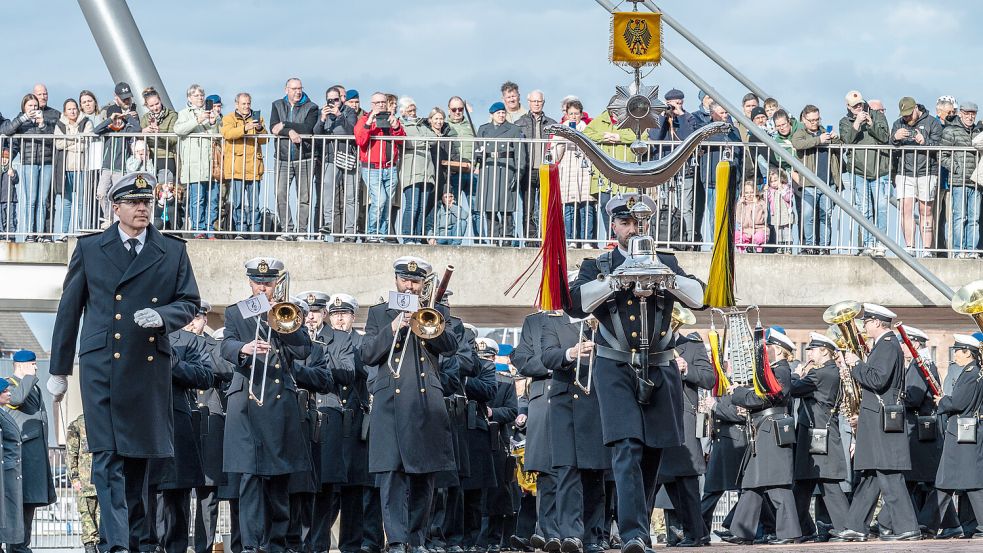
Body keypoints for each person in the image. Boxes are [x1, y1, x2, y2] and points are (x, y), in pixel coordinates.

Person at [47, 171, 202, 553]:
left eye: (147, 202)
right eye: (134, 202)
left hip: (147, 367)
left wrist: (164, 317)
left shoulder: (172, 250)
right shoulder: (91, 248)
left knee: (138, 462)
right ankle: (116, 546)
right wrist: (58, 369)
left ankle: (136, 541)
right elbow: (69, 311)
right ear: (115, 207)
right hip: (103, 366)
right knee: (106, 457)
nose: (142, 208)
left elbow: (189, 302)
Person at [566, 193, 704, 553]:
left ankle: (638, 526)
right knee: (626, 445)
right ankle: (633, 534)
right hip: (615, 365)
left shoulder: (667, 260)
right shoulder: (598, 264)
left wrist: (664, 276)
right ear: (614, 225)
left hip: (660, 364)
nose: (633, 229)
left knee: (653, 451)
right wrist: (616, 279)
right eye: (625, 222)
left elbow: (699, 297)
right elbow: (576, 303)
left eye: (639, 223)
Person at [359, 256, 460, 553]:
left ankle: (416, 539)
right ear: (396, 280)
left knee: (424, 476)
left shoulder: (437, 310)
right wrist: (393, 327)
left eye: (415, 281)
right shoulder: (380, 312)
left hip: (425, 401)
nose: (410, 285)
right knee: (392, 476)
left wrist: (427, 319)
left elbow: (451, 346)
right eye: (405, 280)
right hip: (390, 401)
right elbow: (367, 354)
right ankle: (398, 540)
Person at [220, 257, 312, 553]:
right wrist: (243, 349)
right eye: (258, 282)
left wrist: (282, 319)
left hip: (277, 402)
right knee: (249, 477)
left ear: (276, 285)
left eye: (268, 283)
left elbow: (303, 350)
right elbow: (226, 345)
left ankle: (276, 543)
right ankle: (250, 544)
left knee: (278, 478)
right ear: (250, 282)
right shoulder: (236, 311)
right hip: (247, 400)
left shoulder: (287, 312)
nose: (263, 287)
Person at [833, 303, 922, 542]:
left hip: (882, 420)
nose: (864, 326)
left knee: (889, 474)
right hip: (877, 419)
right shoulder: (885, 345)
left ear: (876, 323)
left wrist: (856, 365)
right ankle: (856, 525)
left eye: (866, 322)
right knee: (872, 474)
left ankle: (907, 527)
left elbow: (878, 379)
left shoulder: (886, 345)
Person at [541, 311, 611, 553]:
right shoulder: (554, 322)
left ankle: (592, 536)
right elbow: (547, 356)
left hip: (597, 402)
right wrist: (571, 353)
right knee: (567, 470)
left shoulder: (604, 321)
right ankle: (570, 534)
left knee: (595, 472)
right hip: (565, 404)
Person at [723, 328, 801, 546]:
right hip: (764, 429)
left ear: (777, 349)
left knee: (776, 483)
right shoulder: (774, 370)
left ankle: (788, 532)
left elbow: (766, 397)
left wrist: (738, 394)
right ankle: (742, 531)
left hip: (771, 430)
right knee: (753, 483)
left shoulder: (781, 370)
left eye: (767, 347)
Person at [151, 320, 213, 553]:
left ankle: (175, 547)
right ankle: (150, 545)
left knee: (177, 495)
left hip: (177, 425)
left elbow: (206, 376)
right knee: (147, 493)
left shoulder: (189, 342)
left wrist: (173, 364)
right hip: (143, 423)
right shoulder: (134, 336)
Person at [656, 309, 715, 547]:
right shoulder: (650, 344)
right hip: (656, 419)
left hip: (682, 418)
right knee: (657, 481)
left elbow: (709, 378)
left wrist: (686, 368)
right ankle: (637, 534)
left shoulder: (691, 346)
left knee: (686, 481)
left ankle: (696, 534)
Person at [511, 309, 565, 551]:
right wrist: (558, 361)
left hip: (580, 396)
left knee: (581, 470)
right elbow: (521, 359)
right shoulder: (534, 321)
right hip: (546, 397)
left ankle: (585, 532)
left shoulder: (584, 318)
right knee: (546, 470)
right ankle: (546, 531)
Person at [790, 333, 851, 541]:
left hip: (818, 434)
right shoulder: (830, 371)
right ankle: (798, 529)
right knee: (804, 484)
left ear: (824, 350)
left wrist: (796, 374)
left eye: (813, 349)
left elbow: (794, 389)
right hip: (818, 432)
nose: (809, 352)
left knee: (828, 483)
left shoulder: (821, 373)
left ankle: (845, 527)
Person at [5, 349, 56, 553]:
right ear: (22, 365)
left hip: (35, 456)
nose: (36, 367)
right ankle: (17, 547)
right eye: (33, 364)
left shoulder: (32, 386)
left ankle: (22, 546)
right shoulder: (9, 383)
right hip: (22, 457)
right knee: (18, 505)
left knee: (29, 504)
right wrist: (27, 376)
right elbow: (16, 400)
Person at [934, 334, 983, 537]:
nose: (955, 355)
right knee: (948, 482)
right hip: (962, 431)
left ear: (967, 353)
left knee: (968, 482)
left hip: (963, 431)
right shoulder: (972, 372)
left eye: (958, 352)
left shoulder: (971, 374)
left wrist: (942, 401)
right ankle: (928, 521)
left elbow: (959, 403)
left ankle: (927, 522)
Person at [839, 90, 892, 256]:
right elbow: (846, 140)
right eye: (855, 106)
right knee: (865, 210)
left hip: (880, 170)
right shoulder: (844, 121)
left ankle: (880, 244)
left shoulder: (878, 116)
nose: (859, 107)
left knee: (881, 208)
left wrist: (870, 123)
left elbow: (885, 137)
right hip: (858, 171)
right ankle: (868, 244)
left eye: (860, 104)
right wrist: (856, 124)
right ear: (848, 106)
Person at [892, 97, 943, 255]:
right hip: (905, 173)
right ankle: (910, 247)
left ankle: (927, 249)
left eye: (909, 114)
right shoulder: (898, 123)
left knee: (925, 211)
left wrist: (924, 141)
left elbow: (941, 146)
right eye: (904, 115)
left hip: (927, 173)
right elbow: (891, 146)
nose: (906, 118)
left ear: (915, 108)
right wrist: (895, 138)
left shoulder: (932, 122)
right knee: (906, 210)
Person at [270, 78, 319, 239]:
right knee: (280, 193)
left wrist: (285, 124)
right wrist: (289, 132)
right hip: (282, 158)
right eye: (294, 89)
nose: (297, 91)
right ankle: (287, 229)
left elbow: (307, 128)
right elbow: (273, 128)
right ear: (286, 90)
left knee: (304, 197)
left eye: (300, 88)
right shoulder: (277, 105)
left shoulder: (311, 107)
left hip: (304, 157)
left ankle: (301, 232)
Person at [581, 110, 640, 241]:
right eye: (614, 110)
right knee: (605, 205)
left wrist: (618, 137)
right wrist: (604, 136)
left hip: (625, 173)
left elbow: (642, 136)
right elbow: (586, 134)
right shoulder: (600, 120)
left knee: (626, 207)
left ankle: (627, 237)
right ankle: (611, 237)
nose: (616, 113)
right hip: (604, 174)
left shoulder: (632, 120)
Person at [0, 94, 52, 241]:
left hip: (46, 161)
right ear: (24, 107)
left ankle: (40, 234)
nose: (33, 109)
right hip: (28, 162)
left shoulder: (45, 120)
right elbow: (7, 130)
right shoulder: (20, 120)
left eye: (35, 106)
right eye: (30, 106)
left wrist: (42, 124)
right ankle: (29, 233)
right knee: (31, 200)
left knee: (42, 200)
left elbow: (52, 138)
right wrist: (23, 118)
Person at [356, 92, 406, 241]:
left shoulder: (392, 120)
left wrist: (396, 126)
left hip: (390, 168)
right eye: (377, 103)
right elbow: (360, 140)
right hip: (372, 168)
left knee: (387, 205)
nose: (381, 105)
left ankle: (383, 235)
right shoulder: (365, 119)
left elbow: (402, 140)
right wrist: (369, 122)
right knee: (380, 201)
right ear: (372, 104)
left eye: (383, 102)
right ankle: (372, 234)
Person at [792, 104, 841, 254]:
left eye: (817, 119)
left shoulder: (825, 131)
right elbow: (798, 144)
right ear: (804, 120)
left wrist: (835, 139)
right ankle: (810, 246)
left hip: (828, 182)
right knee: (808, 216)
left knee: (825, 216)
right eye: (812, 120)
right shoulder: (800, 133)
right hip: (809, 182)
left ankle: (824, 247)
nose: (815, 123)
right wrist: (819, 140)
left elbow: (841, 148)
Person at [91, 83, 141, 226]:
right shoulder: (109, 126)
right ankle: (109, 219)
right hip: (107, 166)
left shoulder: (129, 122)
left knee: (119, 196)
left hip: (121, 166)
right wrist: (110, 119)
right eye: (123, 99)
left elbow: (137, 129)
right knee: (101, 193)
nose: (127, 101)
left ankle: (118, 222)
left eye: (128, 98)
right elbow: (96, 130)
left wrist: (129, 117)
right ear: (116, 98)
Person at [175, 84, 222, 239]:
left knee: (212, 199)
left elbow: (217, 135)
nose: (200, 98)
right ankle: (198, 229)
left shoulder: (212, 113)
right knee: (197, 199)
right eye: (196, 95)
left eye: (202, 95)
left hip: (211, 163)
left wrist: (214, 122)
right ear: (189, 98)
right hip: (193, 163)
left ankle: (210, 229)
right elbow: (179, 130)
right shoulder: (183, 113)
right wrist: (197, 120)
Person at [475, 102, 526, 244]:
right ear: (492, 115)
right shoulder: (483, 129)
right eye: (498, 113)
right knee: (489, 207)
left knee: (506, 207)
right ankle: (493, 237)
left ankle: (507, 237)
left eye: (503, 112)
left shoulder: (514, 130)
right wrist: (477, 159)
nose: (501, 115)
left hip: (506, 168)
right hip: (489, 168)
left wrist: (518, 172)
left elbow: (520, 153)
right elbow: (477, 149)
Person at [313, 86, 359, 241]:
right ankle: (328, 224)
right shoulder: (323, 113)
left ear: (341, 99)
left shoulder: (349, 112)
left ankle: (350, 232)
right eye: (330, 100)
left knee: (350, 197)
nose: (333, 102)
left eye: (336, 99)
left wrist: (339, 115)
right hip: (331, 158)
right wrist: (322, 119)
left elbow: (353, 131)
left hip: (348, 158)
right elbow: (316, 134)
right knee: (327, 189)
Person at [221, 92, 267, 238]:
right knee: (238, 203)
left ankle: (255, 232)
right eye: (243, 104)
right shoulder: (228, 118)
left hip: (254, 167)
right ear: (237, 104)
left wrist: (259, 128)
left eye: (248, 103)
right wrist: (245, 128)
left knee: (255, 204)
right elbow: (227, 134)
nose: (247, 106)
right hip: (236, 168)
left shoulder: (257, 117)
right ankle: (241, 231)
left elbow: (265, 140)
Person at [514, 90, 558, 245]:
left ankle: (544, 239)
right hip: (528, 170)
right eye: (534, 101)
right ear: (529, 102)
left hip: (545, 170)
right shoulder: (519, 123)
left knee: (545, 208)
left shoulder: (552, 123)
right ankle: (530, 240)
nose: (537, 104)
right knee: (528, 209)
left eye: (539, 101)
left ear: (543, 102)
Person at [941, 101, 981, 258]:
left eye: (973, 114)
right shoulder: (950, 131)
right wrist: (957, 169)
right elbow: (942, 155)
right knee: (959, 217)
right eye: (967, 113)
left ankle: (972, 251)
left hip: (976, 182)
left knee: (974, 219)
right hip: (958, 181)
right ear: (960, 114)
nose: (970, 117)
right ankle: (959, 251)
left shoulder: (978, 131)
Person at [552, 100, 594, 248]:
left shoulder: (588, 129)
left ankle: (587, 241)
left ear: (581, 114)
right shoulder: (560, 130)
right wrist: (562, 139)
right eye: (571, 114)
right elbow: (555, 156)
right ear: (566, 114)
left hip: (584, 171)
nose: (574, 116)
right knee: (569, 208)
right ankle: (571, 241)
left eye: (576, 113)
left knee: (586, 207)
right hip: (568, 171)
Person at [397, 98, 438, 244]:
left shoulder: (422, 125)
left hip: (427, 170)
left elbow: (434, 138)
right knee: (412, 205)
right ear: (402, 112)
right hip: (411, 169)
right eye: (410, 110)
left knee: (422, 207)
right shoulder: (401, 125)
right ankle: (408, 236)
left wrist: (420, 140)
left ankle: (418, 237)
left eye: (414, 110)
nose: (413, 113)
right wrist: (423, 141)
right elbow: (408, 142)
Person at [53, 98, 93, 240]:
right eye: (69, 109)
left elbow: (85, 144)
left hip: (81, 168)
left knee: (82, 201)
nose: (73, 111)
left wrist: (68, 141)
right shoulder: (60, 124)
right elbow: (58, 144)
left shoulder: (86, 122)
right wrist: (76, 139)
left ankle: (81, 231)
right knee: (66, 201)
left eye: (75, 108)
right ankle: (64, 233)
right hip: (65, 168)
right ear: (65, 111)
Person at [67, 413, 99, 553]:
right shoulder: (78, 423)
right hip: (85, 481)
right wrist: (74, 478)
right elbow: (71, 454)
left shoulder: (107, 419)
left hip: (103, 481)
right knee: (87, 517)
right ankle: (90, 545)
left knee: (103, 520)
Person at [0, 378, 24, 546]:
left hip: (9, 472)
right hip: (4, 472)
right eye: (4, 391)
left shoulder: (3, 413)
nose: (9, 393)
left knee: (9, 517)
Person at [138, 87, 178, 179]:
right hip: (148, 157)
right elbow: (138, 138)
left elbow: (173, 139)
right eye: (151, 106)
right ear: (147, 106)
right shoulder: (145, 118)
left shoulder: (172, 115)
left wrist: (158, 134)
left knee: (165, 189)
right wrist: (143, 132)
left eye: (157, 104)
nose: (155, 108)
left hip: (166, 156)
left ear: (160, 100)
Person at [766, 168, 795, 253]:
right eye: (772, 181)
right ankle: (780, 246)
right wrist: (765, 190)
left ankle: (788, 246)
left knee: (787, 230)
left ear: (781, 179)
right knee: (778, 231)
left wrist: (782, 190)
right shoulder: (771, 191)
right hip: (776, 213)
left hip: (786, 213)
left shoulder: (786, 188)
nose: (774, 183)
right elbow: (766, 198)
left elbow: (788, 198)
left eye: (776, 180)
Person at [734, 181, 768, 252]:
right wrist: (740, 205)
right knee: (736, 236)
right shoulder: (742, 204)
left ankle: (758, 252)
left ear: (755, 192)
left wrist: (756, 205)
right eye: (746, 193)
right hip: (745, 230)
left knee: (759, 237)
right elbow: (739, 220)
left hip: (758, 229)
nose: (749, 195)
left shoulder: (761, 203)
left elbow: (760, 220)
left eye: (751, 192)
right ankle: (744, 251)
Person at [1, 147, 19, 238]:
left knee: (11, 219)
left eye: (6, 158)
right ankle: (2, 235)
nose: (4, 160)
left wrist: (12, 175)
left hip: (11, 199)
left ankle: (11, 236)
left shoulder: (12, 170)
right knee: (2, 219)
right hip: (1, 200)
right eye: (2, 158)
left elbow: (16, 180)